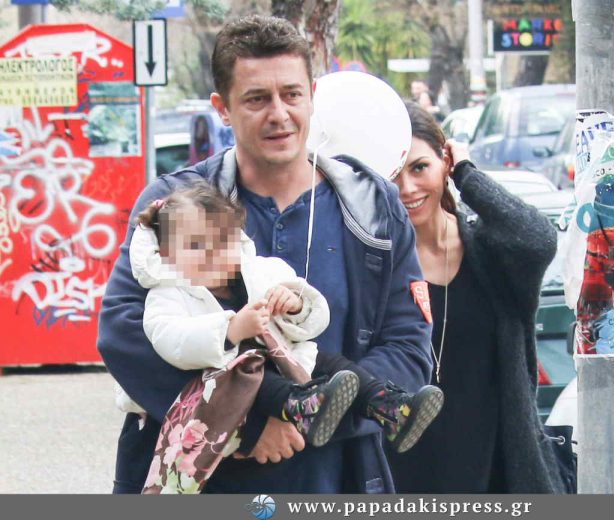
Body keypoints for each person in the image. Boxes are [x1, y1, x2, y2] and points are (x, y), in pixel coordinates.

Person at [98, 15, 433, 494]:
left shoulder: (373, 205)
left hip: (335, 480)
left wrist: (311, 417)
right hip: (201, 483)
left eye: (291, 94)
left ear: (312, 96)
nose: (279, 114)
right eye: (256, 99)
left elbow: (407, 348)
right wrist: (245, 426)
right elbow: (124, 333)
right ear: (222, 108)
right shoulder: (175, 205)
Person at [385, 101, 569, 493]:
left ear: (444, 162)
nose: (407, 188)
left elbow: (538, 240)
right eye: (393, 174)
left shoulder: (489, 252)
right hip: (404, 474)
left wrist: (468, 174)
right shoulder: (375, 264)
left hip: (497, 470)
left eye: (419, 167)